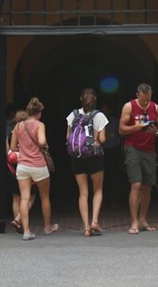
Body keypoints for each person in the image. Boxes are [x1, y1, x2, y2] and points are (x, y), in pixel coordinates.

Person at [9, 96, 58, 240]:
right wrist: (44, 145)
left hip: (22, 166)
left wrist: (23, 147)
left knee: (24, 198)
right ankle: (47, 227)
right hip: (38, 165)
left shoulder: (18, 126)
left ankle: (26, 232)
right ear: (39, 114)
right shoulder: (39, 125)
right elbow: (42, 141)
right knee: (44, 197)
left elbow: (12, 147)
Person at [118, 83, 158, 235]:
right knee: (136, 184)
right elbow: (121, 129)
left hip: (149, 149)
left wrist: (156, 132)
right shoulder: (129, 106)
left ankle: (143, 219)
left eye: (148, 99)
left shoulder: (156, 108)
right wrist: (137, 127)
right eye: (143, 100)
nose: (145, 103)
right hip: (133, 148)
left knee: (147, 185)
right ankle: (134, 221)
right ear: (137, 95)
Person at [66, 86, 109, 237]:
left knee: (83, 192)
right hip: (95, 157)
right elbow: (102, 140)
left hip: (77, 158)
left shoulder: (73, 115)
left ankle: (85, 227)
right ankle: (95, 221)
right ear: (95, 99)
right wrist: (96, 137)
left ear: (81, 99)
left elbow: (68, 138)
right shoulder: (100, 116)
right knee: (97, 190)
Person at [6, 109, 36, 233]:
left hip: (12, 167)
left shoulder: (11, 133)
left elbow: (8, 152)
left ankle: (18, 223)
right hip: (27, 165)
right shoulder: (29, 132)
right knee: (30, 197)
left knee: (16, 198)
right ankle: (19, 220)